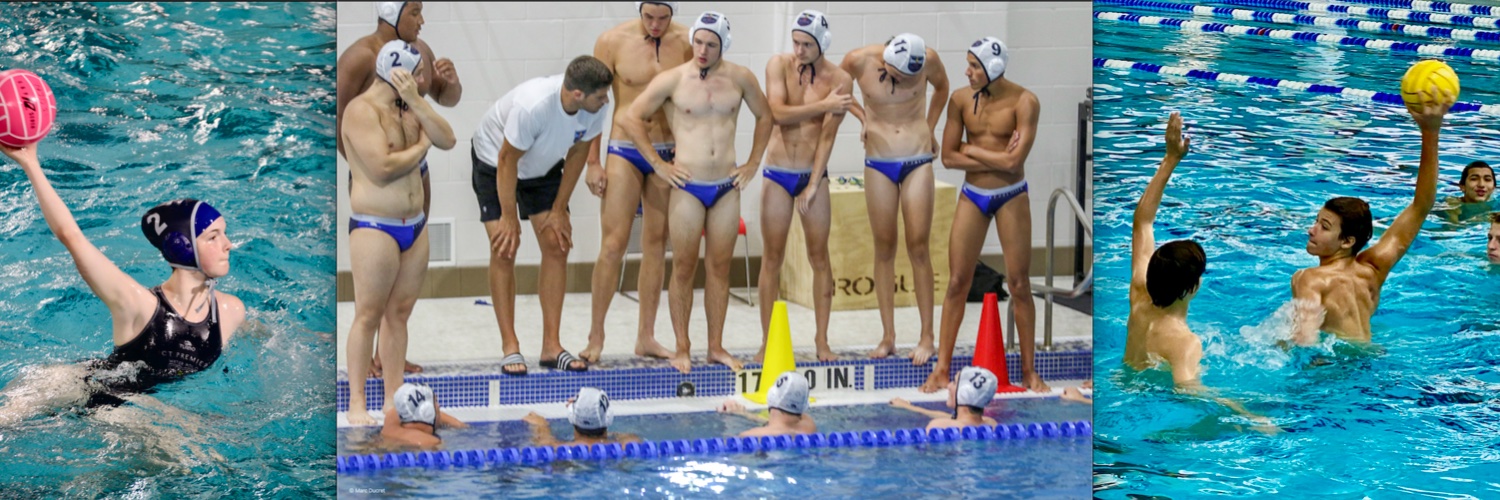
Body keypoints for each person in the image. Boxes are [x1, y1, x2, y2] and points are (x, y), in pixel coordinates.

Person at [0, 143, 246, 426]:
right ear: (182, 246)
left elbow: (261, 332)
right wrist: (30, 163)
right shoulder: (138, 304)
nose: (228, 244)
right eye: (213, 237)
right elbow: (72, 237)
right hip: (99, 393)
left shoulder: (230, 310)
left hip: (140, 411)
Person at [622, 11, 772, 373]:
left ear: (724, 45)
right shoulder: (673, 79)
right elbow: (629, 117)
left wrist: (753, 163)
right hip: (688, 187)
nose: (702, 50)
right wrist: (659, 165)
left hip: (726, 186)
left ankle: (716, 347)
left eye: (711, 44)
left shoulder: (741, 78)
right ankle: (682, 347)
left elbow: (765, 116)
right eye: (699, 42)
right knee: (684, 269)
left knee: (719, 270)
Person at [337, 0, 464, 377]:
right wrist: (366, 171)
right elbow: (338, 118)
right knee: (373, 290)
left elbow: (445, 99)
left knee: (402, 288)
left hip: (416, 173)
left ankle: (387, 355)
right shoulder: (359, 56)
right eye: (415, 12)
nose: (422, 21)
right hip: (374, 176)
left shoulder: (420, 52)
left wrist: (452, 83)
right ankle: (368, 361)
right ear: (392, 14)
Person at [473, 56, 613, 376]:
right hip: (496, 161)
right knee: (505, 247)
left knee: (557, 244)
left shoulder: (595, 107)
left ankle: (551, 346)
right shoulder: (533, 106)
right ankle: (510, 346)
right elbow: (507, 159)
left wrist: (560, 207)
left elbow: (578, 152)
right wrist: (509, 216)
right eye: (601, 96)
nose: (607, 101)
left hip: (543, 166)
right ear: (577, 95)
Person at [922, 37, 1046, 393]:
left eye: (974, 66)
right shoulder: (960, 100)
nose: (967, 72)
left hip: (1011, 196)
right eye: (968, 65)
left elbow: (1013, 163)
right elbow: (947, 157)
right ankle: (942, 369)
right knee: (957, 282)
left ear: (992, 68)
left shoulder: (1025, 102)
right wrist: (987, 155)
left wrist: (971, 148)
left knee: (1019, 284)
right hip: (972, 195)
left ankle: (1029, 371)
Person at [1289, 87, 1452, 345]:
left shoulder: (1309, 278)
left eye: (1324, 226)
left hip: (1336, 373)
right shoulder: (1373, 270)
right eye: (1317, 221)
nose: (1312, 230)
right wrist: (1430, 132)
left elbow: (1304, 342)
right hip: (1371, 358)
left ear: (1348, 241)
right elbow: (1421, 206)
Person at [580, 1, 691, 364]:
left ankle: (646, 336)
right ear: (639, 11)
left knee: (656, 244)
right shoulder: (611, 41)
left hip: (667, 151)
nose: (656, 25)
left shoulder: (689, 41)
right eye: (649, 17)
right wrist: (593, 161)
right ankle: (596, 336)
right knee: (613, 245)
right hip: (623, 149)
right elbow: (595, 103)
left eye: (663, 18)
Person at [839, 33, 948, 362]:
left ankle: (927, 335)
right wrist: (863, 117)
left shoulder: (929, 59)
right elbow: (838, 92)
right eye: (898, 75)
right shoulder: (858, 60)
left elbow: (942, 88)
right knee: (884, 246)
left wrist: (930, 128)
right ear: (886, 61)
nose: (903, 82)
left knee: (918, 246)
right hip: (879, 161)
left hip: (917, 159)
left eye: (910, 79)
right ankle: (888, 336)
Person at [754, 10, 852, 363]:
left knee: (819, 257)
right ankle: (767, 342)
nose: (798, 50)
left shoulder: (840, 78)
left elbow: (827, 136)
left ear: (822, 44)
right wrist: (823, 104)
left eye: (807, 44)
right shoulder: (777, 65)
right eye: (795, 42)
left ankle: (822, 342)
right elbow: (777, 113)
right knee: (772, 258)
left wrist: (813, 184)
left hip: (813, 173)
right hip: (777, 172)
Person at [523, 387, 641, 447]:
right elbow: (627, 437)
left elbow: (544, 441)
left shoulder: (557, 448)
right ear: (609, 417)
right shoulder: (630, 443)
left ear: (571, 417)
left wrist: (541, 425)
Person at [891, 366, 999, 430]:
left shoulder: (938, 426)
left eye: (954, 382)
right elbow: (952, 418)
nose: (948, 386)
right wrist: (908, 407)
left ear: (964, 394)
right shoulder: (990, 424)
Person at [717, 372, 817, 436]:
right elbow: (780, 424)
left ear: (771, 395)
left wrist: (728, 421)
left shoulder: (750, 436)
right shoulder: (809, 426)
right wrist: (745, 414)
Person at [380, 383, 467, 448]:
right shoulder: (431, 443)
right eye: (435, 401)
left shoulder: (391, 422)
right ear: (428, 412)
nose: (438, 405)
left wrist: (459, 425)